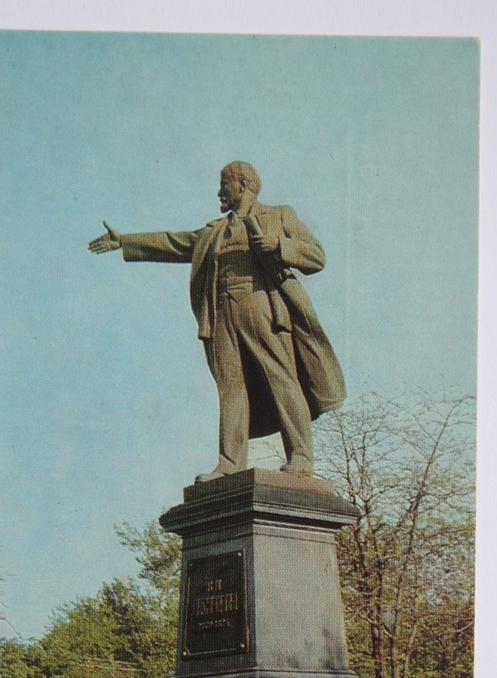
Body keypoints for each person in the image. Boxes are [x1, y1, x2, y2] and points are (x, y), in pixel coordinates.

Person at [89, 161, 346, 481]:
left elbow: (316, 256)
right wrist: (126, 241)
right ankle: (230, 464)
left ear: (243, 185)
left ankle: (301, 459)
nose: (219, 192)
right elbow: (174, 242)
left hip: (262, 306)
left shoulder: (280, 215)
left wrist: (280, 245)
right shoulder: (214, 231)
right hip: (221, 313)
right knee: (231, 387)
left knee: (282, 378)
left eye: (224, 185)